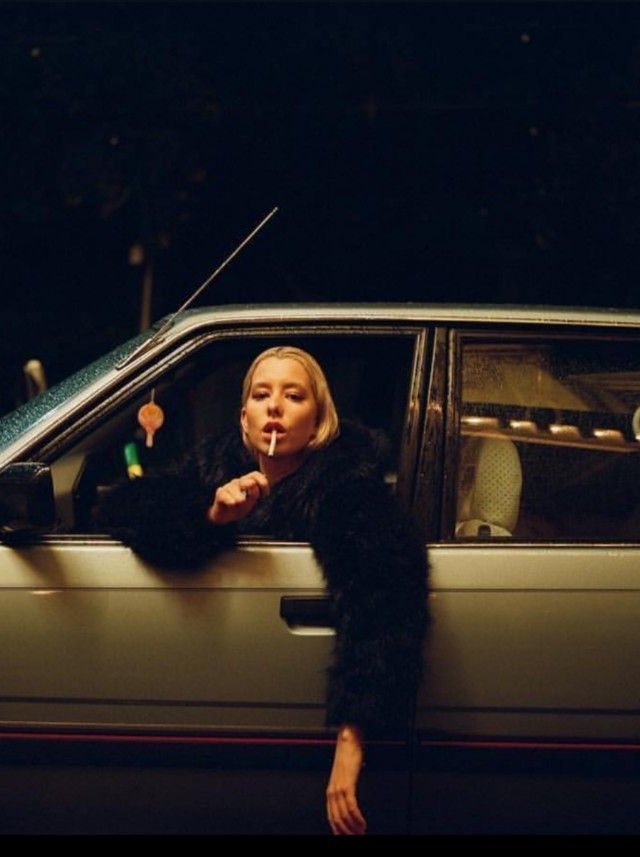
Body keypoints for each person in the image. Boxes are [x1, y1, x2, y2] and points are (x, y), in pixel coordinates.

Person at [97, 346, 430, 835]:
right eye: (261, 394)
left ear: (318, 418)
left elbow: (387, 606)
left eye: (293, 396)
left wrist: (351, 743)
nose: (274, 406)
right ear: (244, 416)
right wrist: (209, 515)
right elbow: (123, 510)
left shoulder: (348, 487)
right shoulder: (214, 467)